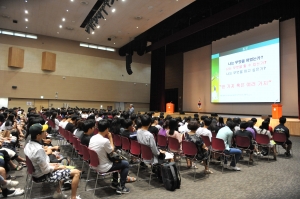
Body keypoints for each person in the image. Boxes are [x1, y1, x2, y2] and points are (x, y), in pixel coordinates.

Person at [24, 123, 81, 199]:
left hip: (37, 172)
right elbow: (45, 170)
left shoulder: (28, 145)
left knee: (63, 165)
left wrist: (54, 165)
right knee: (76, 172)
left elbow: (39, 163)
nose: (45, 132)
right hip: (42, 176)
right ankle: (73, 197)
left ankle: (58, 192)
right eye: (43, 131)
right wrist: (57, 167)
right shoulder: (38, 150)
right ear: (38, 135)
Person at [89, 119, 130, 194]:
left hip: (94, 165)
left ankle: (115, 183)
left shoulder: (93, 137)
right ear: (107, 129)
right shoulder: (105, 141)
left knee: (115, 161)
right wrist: (110, 138)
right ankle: (122, 187)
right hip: (103, 167)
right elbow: (112, 150)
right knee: (126, 164)